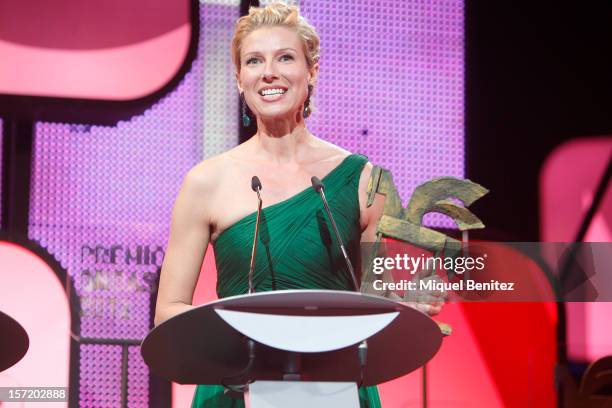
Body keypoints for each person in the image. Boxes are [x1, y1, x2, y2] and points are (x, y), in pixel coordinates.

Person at [154, 3, 444, 407]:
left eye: (285, 57)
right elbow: (168, 311)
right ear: (240, 79)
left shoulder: (361, 179)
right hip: (236, 389)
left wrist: (403, 307)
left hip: (335, 387)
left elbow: (376, 299)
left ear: (312, 71)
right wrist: (227, 329)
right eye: (254, 61)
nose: (268, 72)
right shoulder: (205, 182)